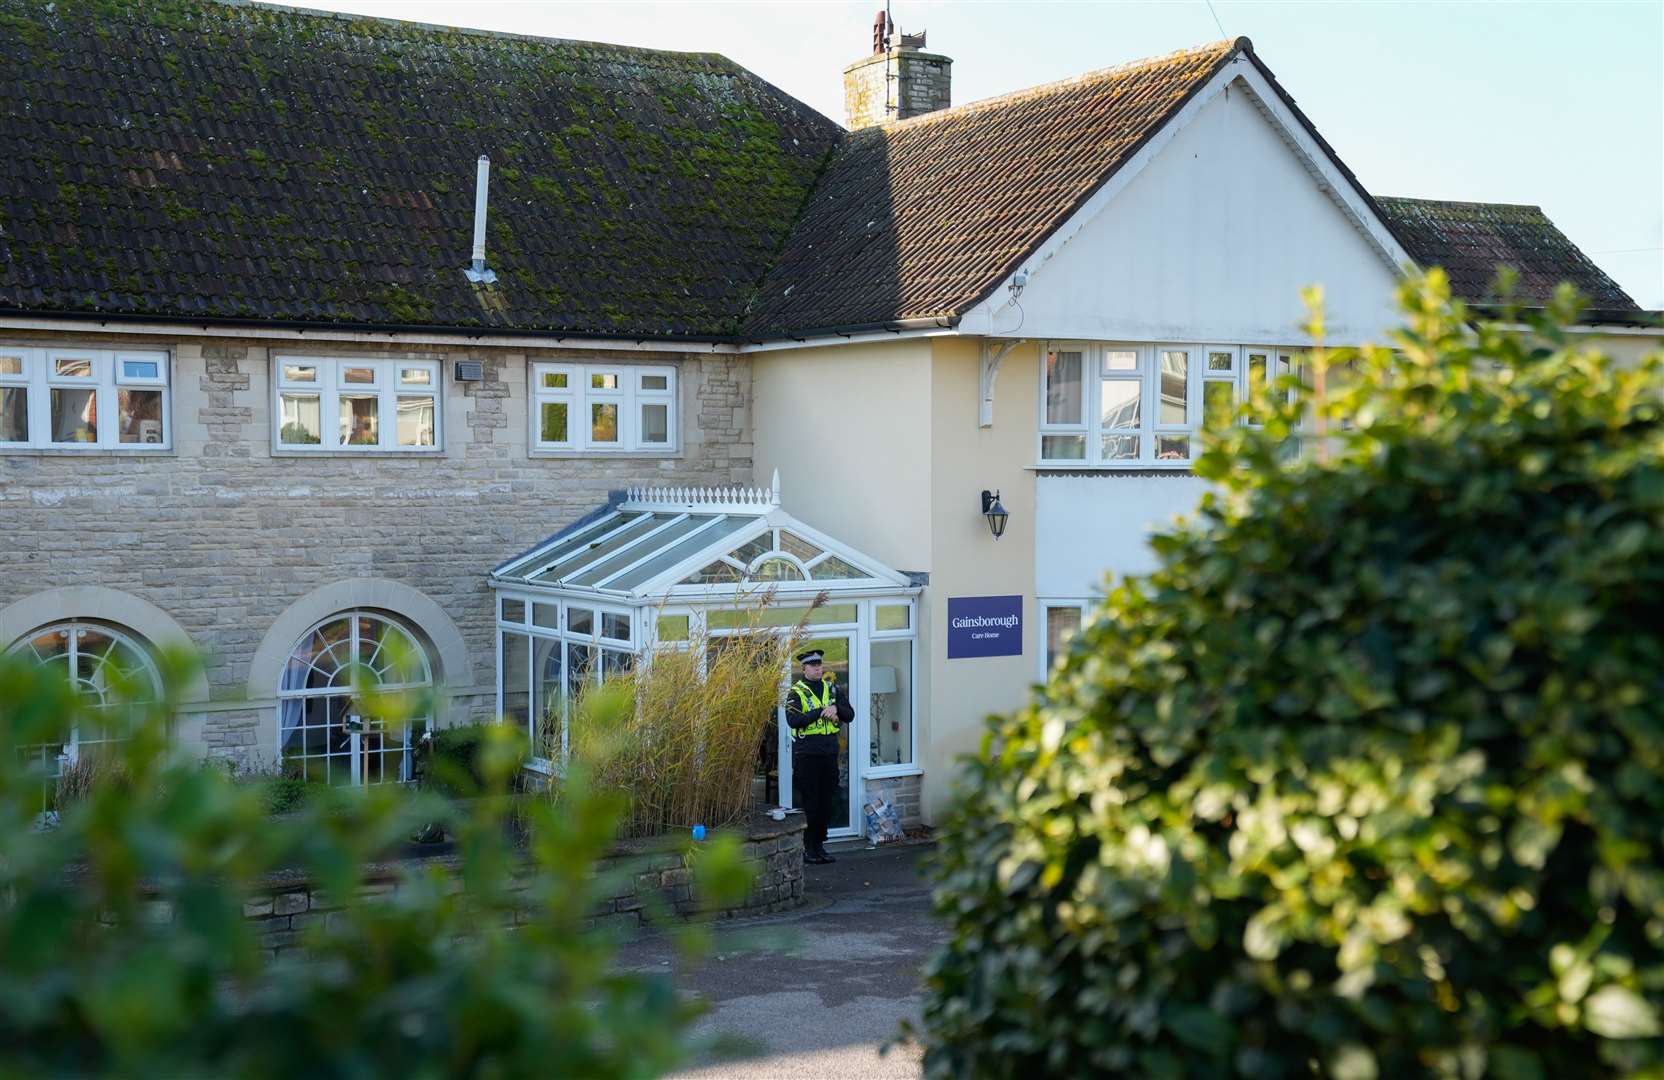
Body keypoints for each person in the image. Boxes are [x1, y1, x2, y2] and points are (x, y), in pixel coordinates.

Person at [785, 647, 852, 864]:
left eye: (820, 665)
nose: (817, 669)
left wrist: (836, 709)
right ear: (804, 668)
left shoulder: (832, 688)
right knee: (811, 803)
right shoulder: (796, 692)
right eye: (813, 666)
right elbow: (793, 721)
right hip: (808, 755)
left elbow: (849, 714)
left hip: (829, 754)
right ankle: (808, 848)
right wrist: (821, 711)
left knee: (826, 802)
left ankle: (820, 845)